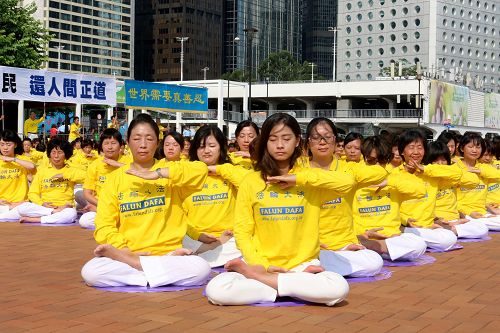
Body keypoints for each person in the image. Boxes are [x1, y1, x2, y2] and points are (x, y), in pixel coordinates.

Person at [205, 113, 353, 306]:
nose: (280, 145)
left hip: (303, 265)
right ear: (265, 142)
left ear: (297, 141)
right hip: (262, 264)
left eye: (286, 138)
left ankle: (269, 285)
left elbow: (348, 183)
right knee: (217, 290)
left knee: (338, 288)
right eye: (273, 139)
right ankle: (293, 287)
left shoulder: (309, 179)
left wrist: (298, 179)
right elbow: (242, 232)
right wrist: (261, 266)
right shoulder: (251, 181)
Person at [80, 113, 211, 288]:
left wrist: (157, 174)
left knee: (201, 268)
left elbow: (201, 169)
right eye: (137, 138)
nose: (143, 145)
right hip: (130, 252)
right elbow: (104, 225)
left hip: (167, 252)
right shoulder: (115, 179)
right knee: (91, 272)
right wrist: (123, 249)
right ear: (127, 141)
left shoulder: (169, 170)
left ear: (157, 142)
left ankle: (139, 268)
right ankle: (151, 270)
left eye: (149, 139)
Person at [304, 118, 385, 277]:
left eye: (327, 137)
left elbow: (380, 173)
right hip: (309, 243)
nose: (322, 142)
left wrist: (343, 246)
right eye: (316, 137)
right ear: (308, 142)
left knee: (374, 262)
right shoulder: (297, 168)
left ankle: (318, 266)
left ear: (335, 141)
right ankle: (318, 262)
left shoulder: (348, 169)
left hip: (343, 244)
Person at [181, 125, 249, 267]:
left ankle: (201, 257)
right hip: (196, 238)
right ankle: (206, 252)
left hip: (229, 238)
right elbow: (177, 215)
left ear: (220, 147)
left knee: (244, 242)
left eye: (211, 145)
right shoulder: (186, 172)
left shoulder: (230, 171)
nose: (206, 151)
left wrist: (218, 169)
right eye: (201, 146)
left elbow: (250, 185)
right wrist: (197, 235)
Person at [396, 129, 459, 251]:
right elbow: (391, 205)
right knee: (443, 240)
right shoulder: (394, 175)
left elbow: (457, 174)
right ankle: (408, 235)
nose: (416, 152)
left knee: (449, 238)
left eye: (420, 148)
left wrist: (425, 169)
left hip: (429, 226)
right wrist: (405, 220)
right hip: (407, 225)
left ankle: (414, 240)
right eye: (411, 147)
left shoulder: (430, 173)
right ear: (402, 151)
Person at [425, 141, 488, 239]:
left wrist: (449, 172)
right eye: (435, 160)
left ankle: (452, 230)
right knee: (445, 239)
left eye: (443, 160)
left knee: (482, 228)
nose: (440, 164)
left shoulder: (452, 175)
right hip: (437, 221)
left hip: (455, 219)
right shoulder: (425, 180)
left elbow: (474, 181)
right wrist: (437, 220)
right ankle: (451, 230)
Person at [13, 139, 85, 224]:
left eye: (60, 152)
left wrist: (65, 175)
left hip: (65, 207)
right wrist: (42, 203)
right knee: (22, 208)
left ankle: (38, 219)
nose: (56, 156)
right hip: (45, 207)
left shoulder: (71, 170)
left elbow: (88, 177)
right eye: (53, 152)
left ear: (66, 154)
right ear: (49, 154)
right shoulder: (42, 171)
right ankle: (53, 213)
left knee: (71, 214)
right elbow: (32, 193)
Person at [79, 129, 126, 229]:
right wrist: (102, 205)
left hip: (125, 205)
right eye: (106, 143)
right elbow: (87, 193)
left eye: (113, 143)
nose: (110, 147)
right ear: (101, 146)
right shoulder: (95, 165)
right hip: (102, 204)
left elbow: (139, 173)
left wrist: (118, 165)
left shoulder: (129, 161)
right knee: (85, 221)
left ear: (120, 145)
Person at [455, 132, 500, 230]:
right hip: (465, 212)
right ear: (462, 148)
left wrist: (481, 171)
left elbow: (497, 175)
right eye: (470, 147)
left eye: (478, 147)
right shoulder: (455, 168)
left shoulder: (484, 168)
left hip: (483, 212)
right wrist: (468, 212)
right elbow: (451, 198)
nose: (474, 150)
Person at [0, 130, 36, 220]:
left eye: (8, 145)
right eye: (2, 144)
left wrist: (13, 159)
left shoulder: (22, 160)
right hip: (2, 205)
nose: (5, 148)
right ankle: (8, 211)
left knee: (27, 208)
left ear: (15, 145)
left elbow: (32, 166)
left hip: (21, 204)